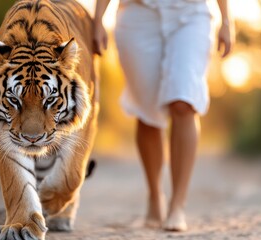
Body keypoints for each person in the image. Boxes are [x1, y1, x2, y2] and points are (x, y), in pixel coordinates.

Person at [93, 0, 234, 232]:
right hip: (137, 15)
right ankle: (155, 196)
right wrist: (98, 19)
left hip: (191, 14)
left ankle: (177, 205)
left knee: (184, 101)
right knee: (147, 111)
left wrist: (226, 20)